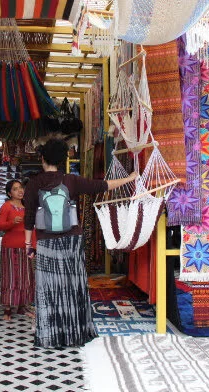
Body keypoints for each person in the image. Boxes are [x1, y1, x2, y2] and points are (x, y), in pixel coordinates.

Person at [23, 138, 137, 348]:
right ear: (62, 159)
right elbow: (102, 185)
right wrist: (130, 178)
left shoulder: (33, 184)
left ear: (42, 158)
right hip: (72, 241)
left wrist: (29, 245)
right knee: (73, 287)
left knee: (49, 289)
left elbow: (29, 217)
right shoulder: (71, 181)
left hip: (46, 243)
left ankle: (50, 335)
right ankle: (76, 332)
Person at [0, 179, 36, 321]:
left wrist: (33, 246)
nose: (20, 191)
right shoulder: (7, 207)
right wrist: (12, 222)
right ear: (9, 193)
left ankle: (22, 306)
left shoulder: (28, 207)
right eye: (15, 189)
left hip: (25, 247)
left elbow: (32, 228)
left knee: (25, 277)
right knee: (10, 277)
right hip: (10, 247)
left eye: (21, 188)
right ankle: (8, 309)